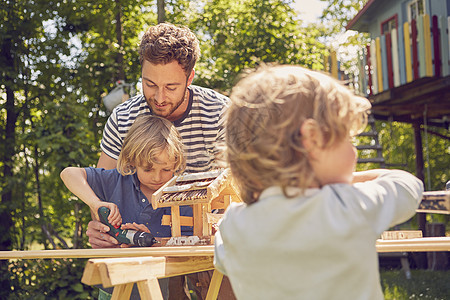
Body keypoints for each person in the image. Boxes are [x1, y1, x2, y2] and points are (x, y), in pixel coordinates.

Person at [214, 65, 424, 299]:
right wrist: (350, 181)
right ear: (312, 138)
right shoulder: (345, 205)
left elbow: (223, 260)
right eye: (348, 138)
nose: (354, 153)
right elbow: (407, 186)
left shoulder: (233, 225)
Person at [87, 22, 235, 299]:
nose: (159, 97)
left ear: (190, 78)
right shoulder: (122, 118)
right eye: (149, 83)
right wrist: (100, 224)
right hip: (146, 245)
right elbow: (102, 187)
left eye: (171, 86)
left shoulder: (220, 113)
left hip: (210, 245)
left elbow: (241, 191)